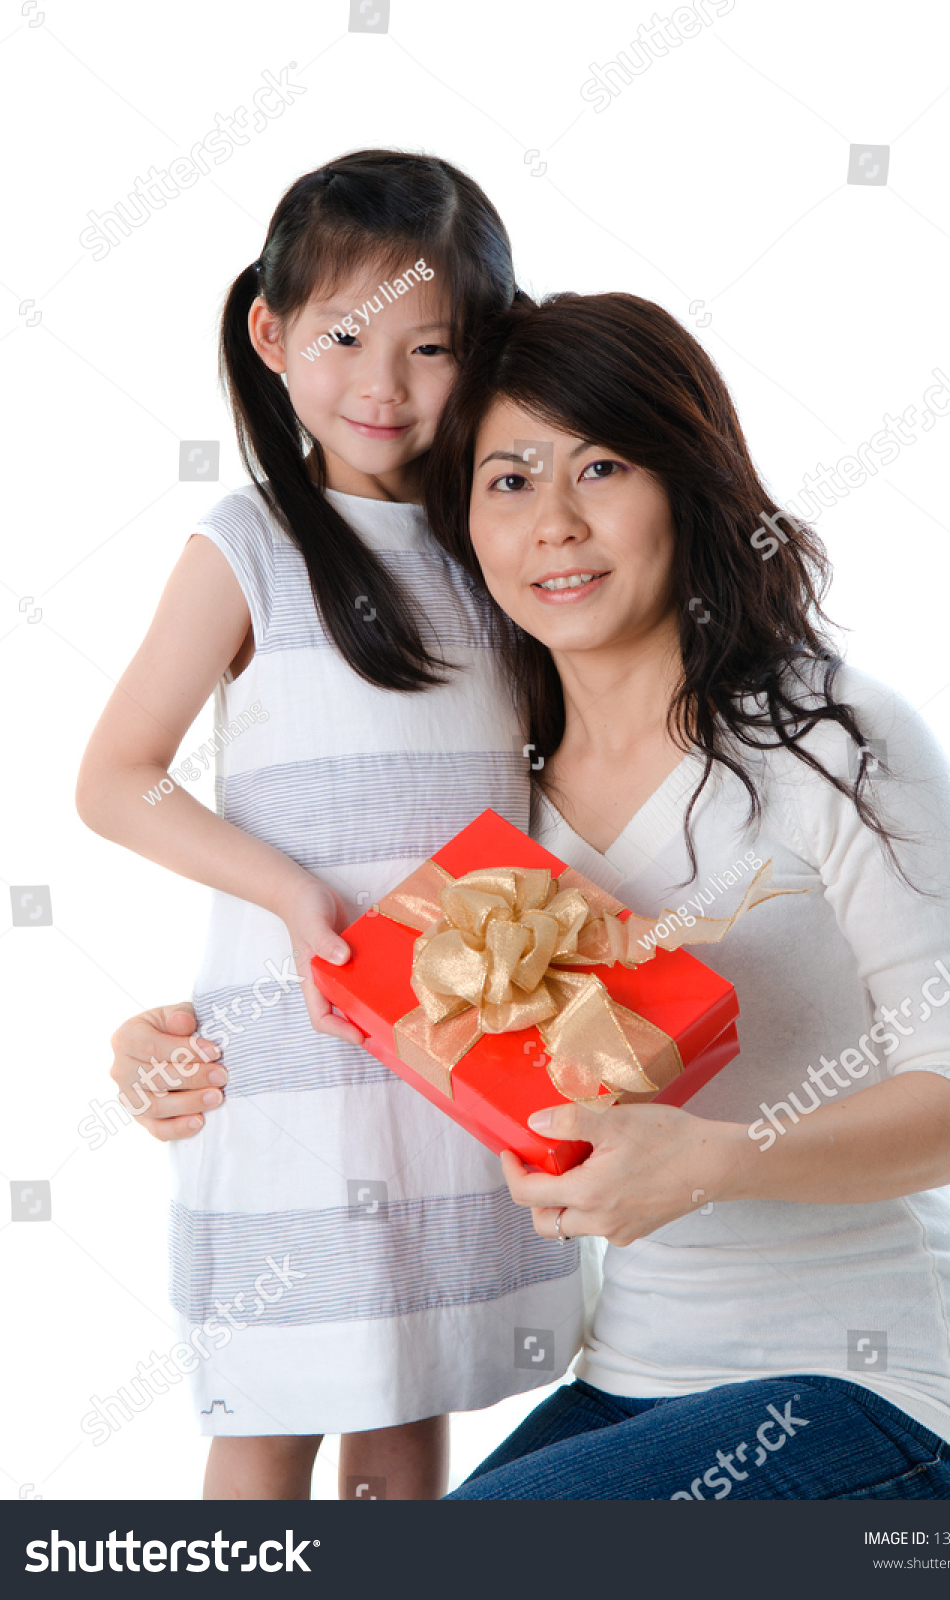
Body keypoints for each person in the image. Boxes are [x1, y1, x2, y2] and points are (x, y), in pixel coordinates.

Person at [109, 290, 950, 1501]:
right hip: (634, 1380)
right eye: (508, 480)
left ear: (685, 484)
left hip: (887, 1398)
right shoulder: (499, 806)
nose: (555, 524)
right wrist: (177, 1045)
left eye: (600, 467)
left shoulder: (831, 738)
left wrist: (713, 1157)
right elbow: (382, 1009)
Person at [75, 152, 591, 1503]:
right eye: (344, 337)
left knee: (406, 1397)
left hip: (457, 1047)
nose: (384, 383)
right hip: (302, 1038)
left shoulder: (500, 548)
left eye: (430, 348)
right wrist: (294, 896)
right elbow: (115, 777)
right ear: (270, 334)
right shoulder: (247, 544)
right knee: (278, 1399)